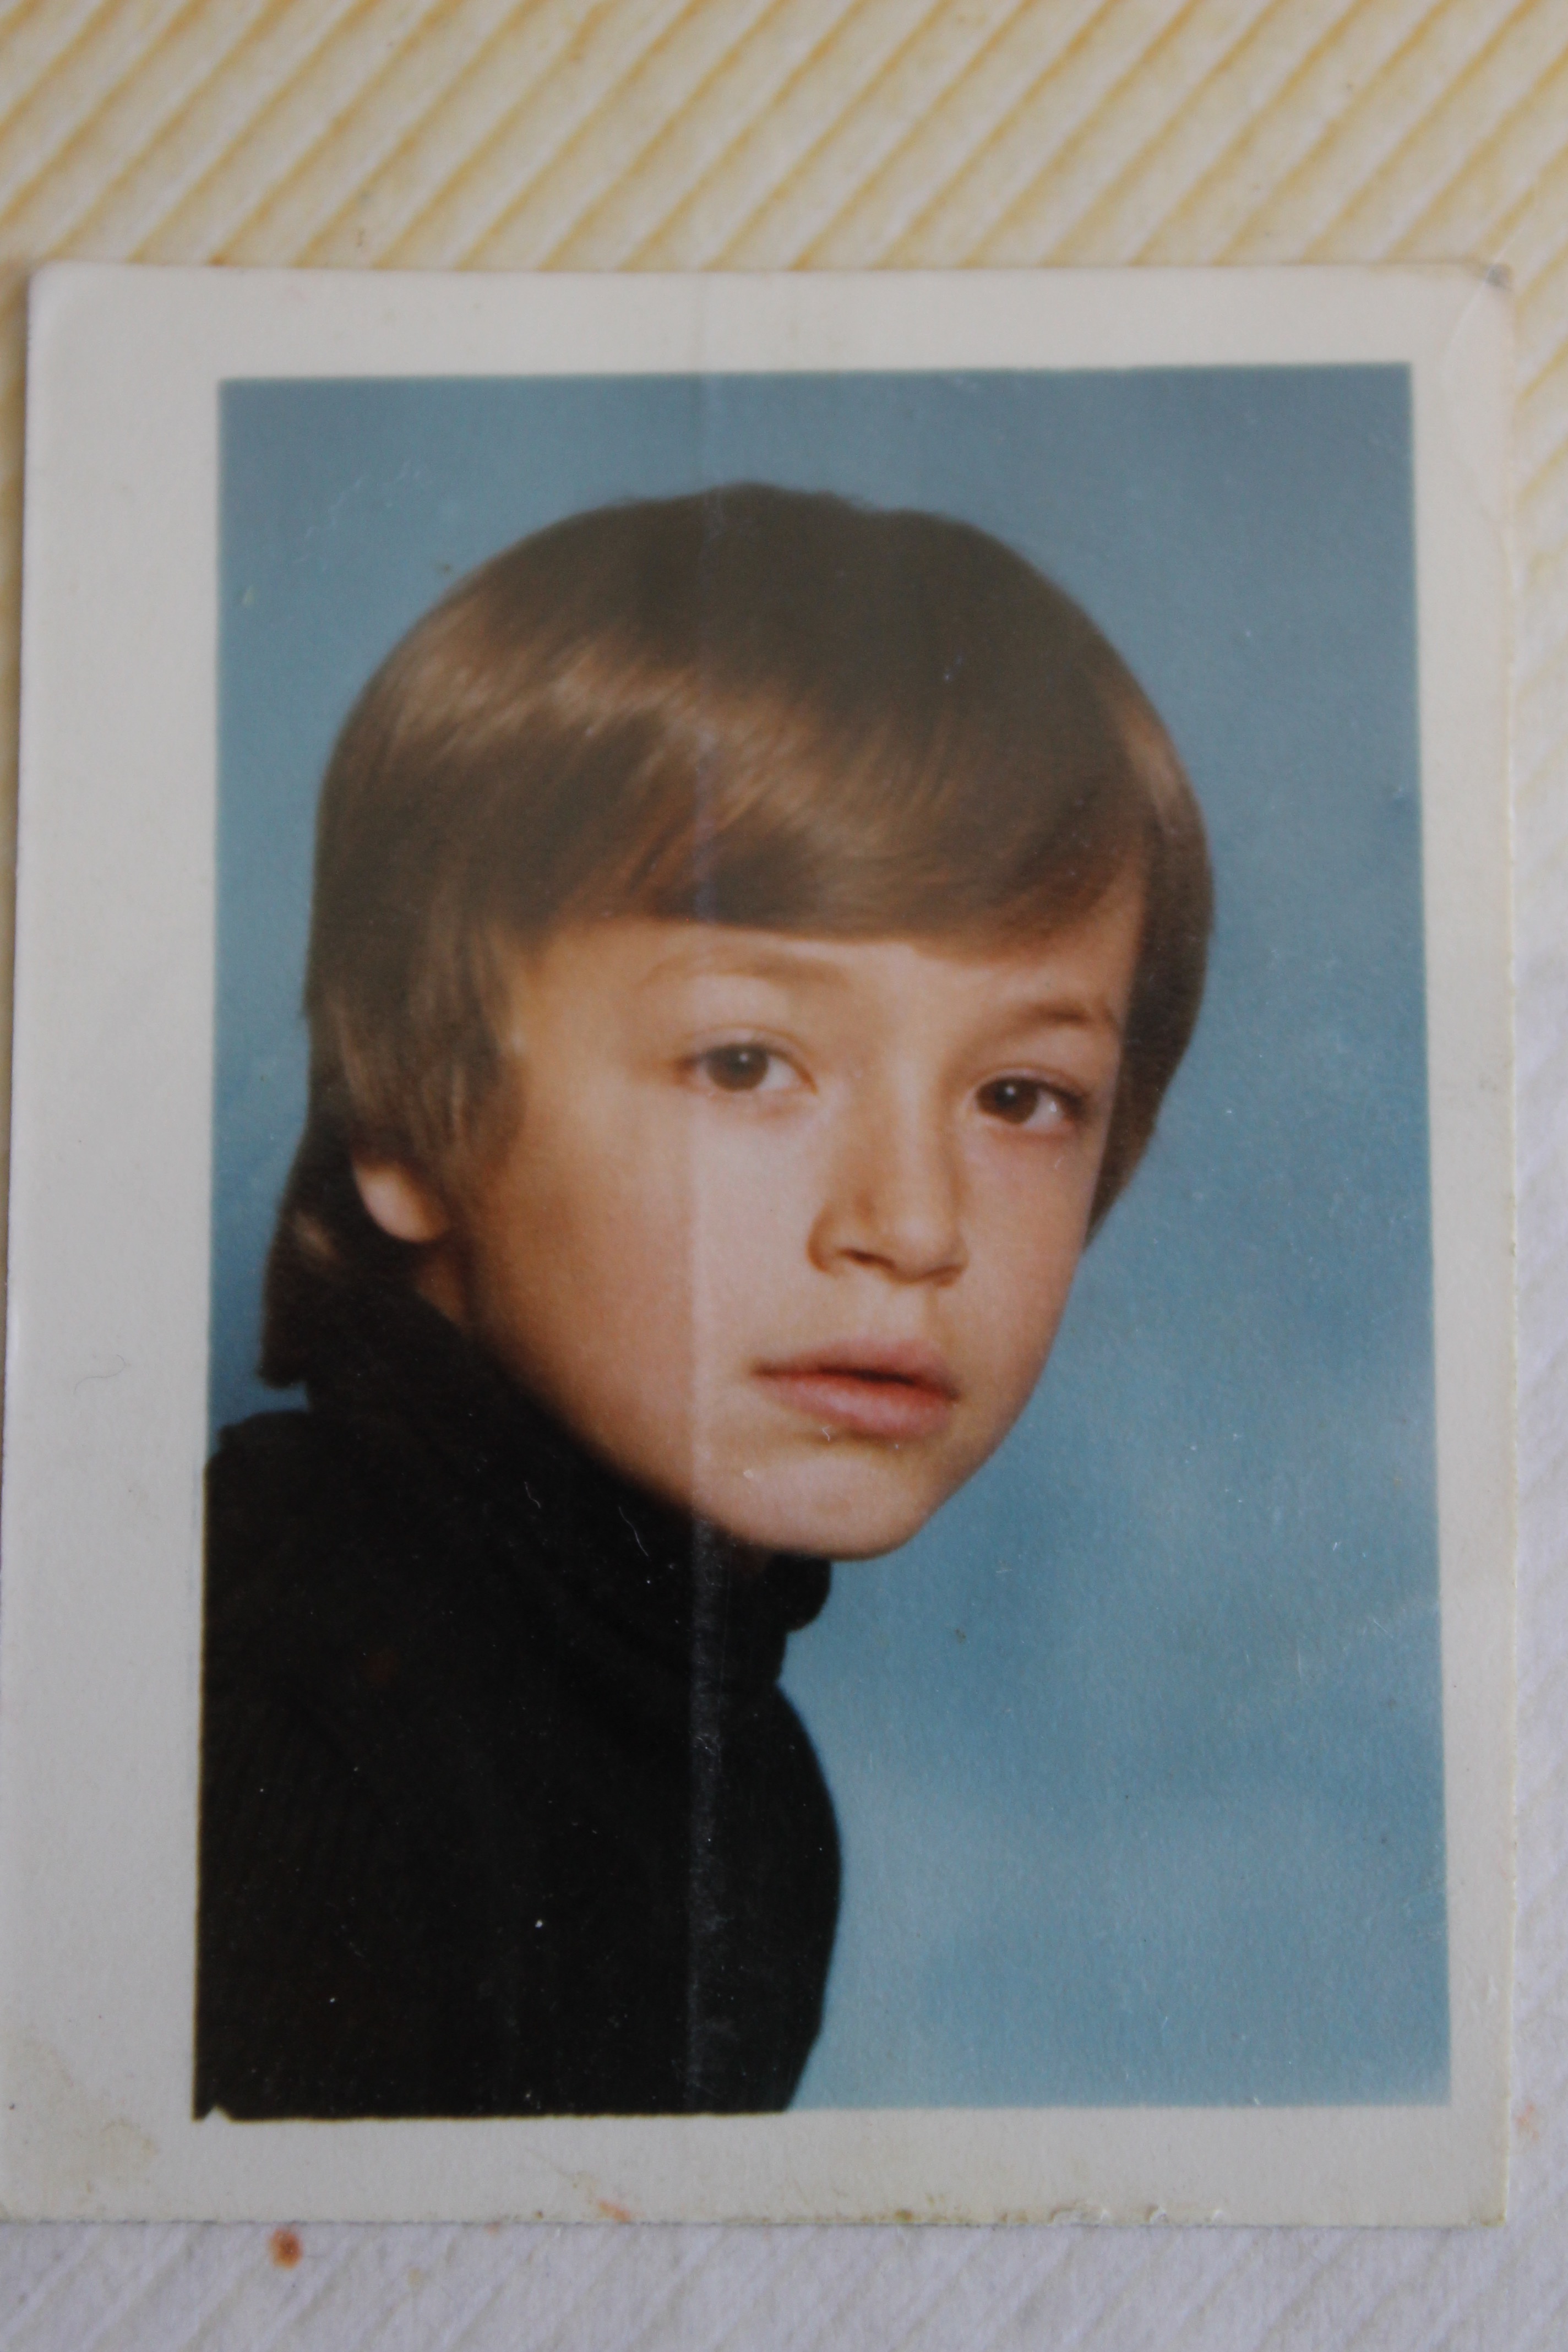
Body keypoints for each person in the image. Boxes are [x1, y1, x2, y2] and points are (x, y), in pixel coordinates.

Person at [194, 483, 1212, 2121]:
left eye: (1019, 1097)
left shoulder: (745, 1794)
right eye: (746, 1063)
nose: (913, 1225)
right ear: (403, 1110)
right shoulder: (263, 1714)